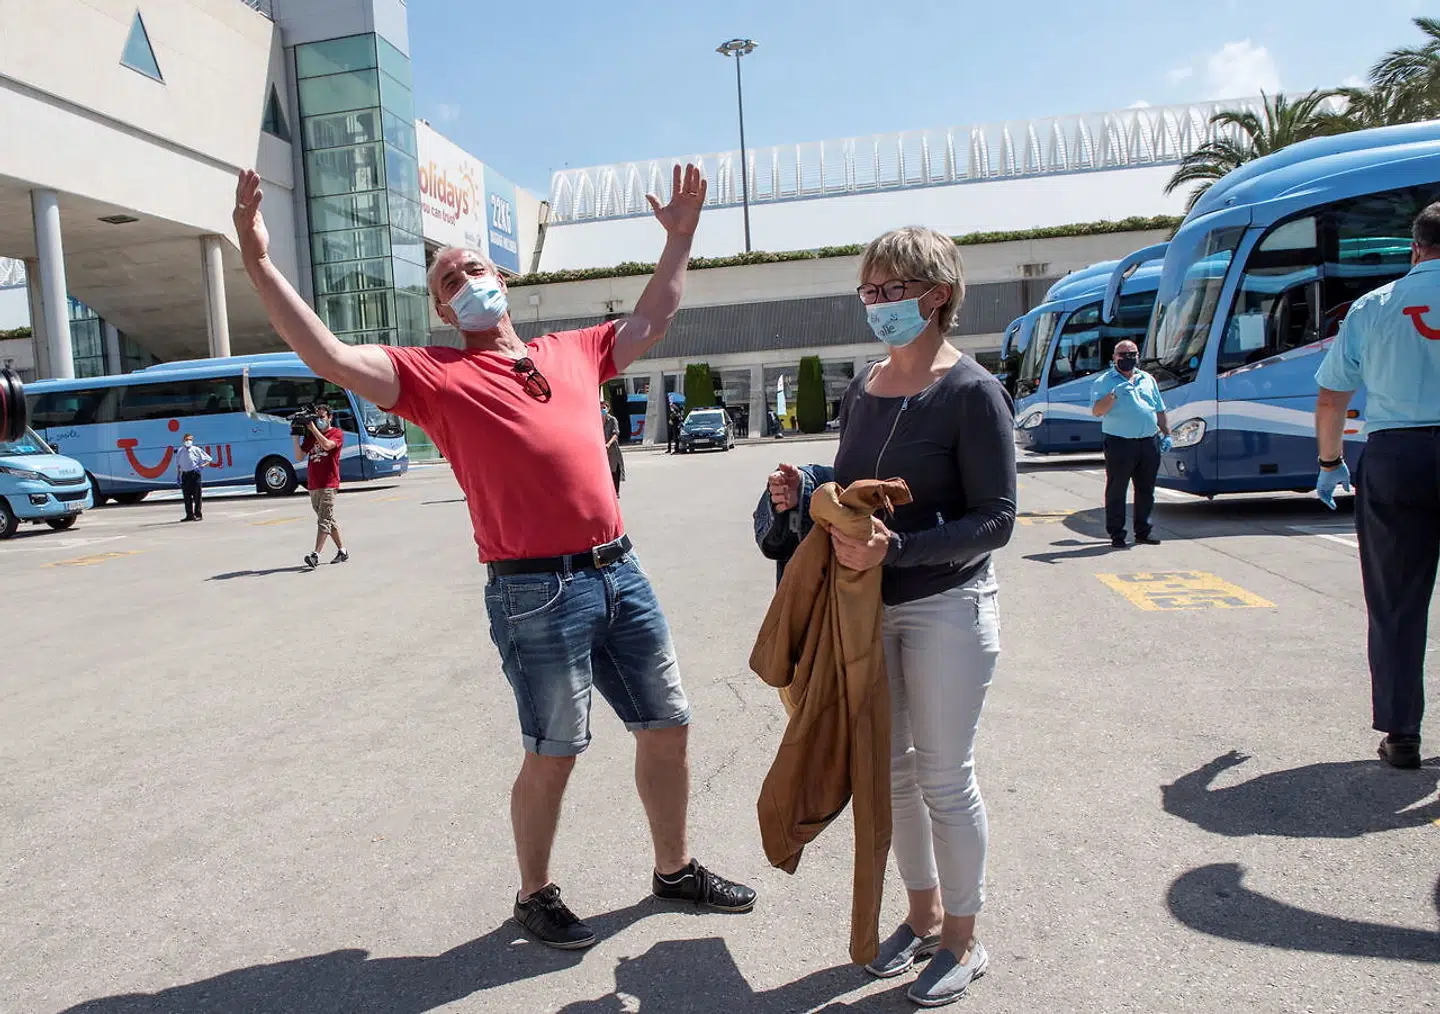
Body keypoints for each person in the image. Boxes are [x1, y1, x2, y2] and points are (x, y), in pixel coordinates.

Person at [232, 164, 754, 951]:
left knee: (668, 725)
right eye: (450, 279)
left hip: (621, 571)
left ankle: (673, 870)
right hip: (535, 593)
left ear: (500, 277)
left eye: (474, 267)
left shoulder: (572, 348)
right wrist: (258, 259)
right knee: (555, 750)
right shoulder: (431, 376)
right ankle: (534, 894)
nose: (466, 279)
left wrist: (680, 239)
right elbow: (330, 354)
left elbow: (652, 317)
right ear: (441, 308)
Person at [768, 226, 1015, 1007]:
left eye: (893, 291)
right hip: (868, 611)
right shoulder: (865, 388)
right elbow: (854, 484)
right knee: (895, 776)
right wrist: (804, 485)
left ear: (937, 295)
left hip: (947, 607)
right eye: (869, 292)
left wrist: (896, 551)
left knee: (943, 775)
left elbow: (996, 520)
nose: (877, 306)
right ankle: (923, 915)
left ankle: (964, 941)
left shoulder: (972, 392)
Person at [1314, 200, 1440, 771]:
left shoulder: (1374, 306)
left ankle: (1402, 733)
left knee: (1395, 602)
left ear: (1416, 248)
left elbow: (1333, 395)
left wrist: (1329, 461)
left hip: (1396, 457)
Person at [1090, 339, 1171, 548]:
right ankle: (1117, 534)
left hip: (1148, 441)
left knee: (1146, 489)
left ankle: (1143, 531)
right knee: (1117, 490)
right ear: (1114, 357)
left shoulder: (1147, 379)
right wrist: (1114, 395)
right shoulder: (1105, 381)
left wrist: (1166, 433)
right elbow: (1097, 411)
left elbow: (1159, 409)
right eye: (1123, 355)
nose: (1128, 358)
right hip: (1120, 443)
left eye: (1132, 354)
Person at [297, 404, 348, 568]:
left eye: (322, 417)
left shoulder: (337, 434)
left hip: (329, 482)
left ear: (330, 417)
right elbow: (299, 456)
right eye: (316, 418)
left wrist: (313, 429)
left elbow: (327, 445)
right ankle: (342, 551)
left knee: (323, 519)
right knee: (327, 518)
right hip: (313, 484)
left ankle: (315, 555)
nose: (319, 421)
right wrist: (295, 436)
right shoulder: (311, 436)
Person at [175, 433, 211, 521]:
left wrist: (202, 466)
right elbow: (178, 465)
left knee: (197, 496)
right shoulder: (180, 451)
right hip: (185, 475)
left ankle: (198, 514)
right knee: (187, 497)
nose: (188, 441)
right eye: (187, 439)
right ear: (183, 441)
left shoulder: (196, 449)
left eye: (190, 440)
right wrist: (178, 476)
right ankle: (189, 515)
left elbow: (209, 459)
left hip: (194, 474)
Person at [601, 399, 625, 496]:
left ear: (608, 408)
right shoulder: (597, 420)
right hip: (601, 449)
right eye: (600, 408)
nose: (602, 410)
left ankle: (616, 492)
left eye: (604, 408)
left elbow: (615, 434)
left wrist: (608, 444)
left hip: (612, 448)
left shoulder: (612, 420)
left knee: (614, 469)